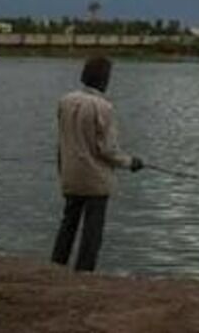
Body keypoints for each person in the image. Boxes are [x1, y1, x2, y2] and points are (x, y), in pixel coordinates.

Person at [52, 55, 143, 271]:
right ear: (103, 79)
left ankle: (56, 266)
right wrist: (131, 162)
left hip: (70, 173)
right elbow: (108, 150)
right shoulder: (103, 107)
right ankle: (84, 271)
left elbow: (62, 140)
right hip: (95, 179)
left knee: (68, 223)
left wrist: (62, 170)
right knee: (92, 230)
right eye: (108, 76)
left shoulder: (65, 101)